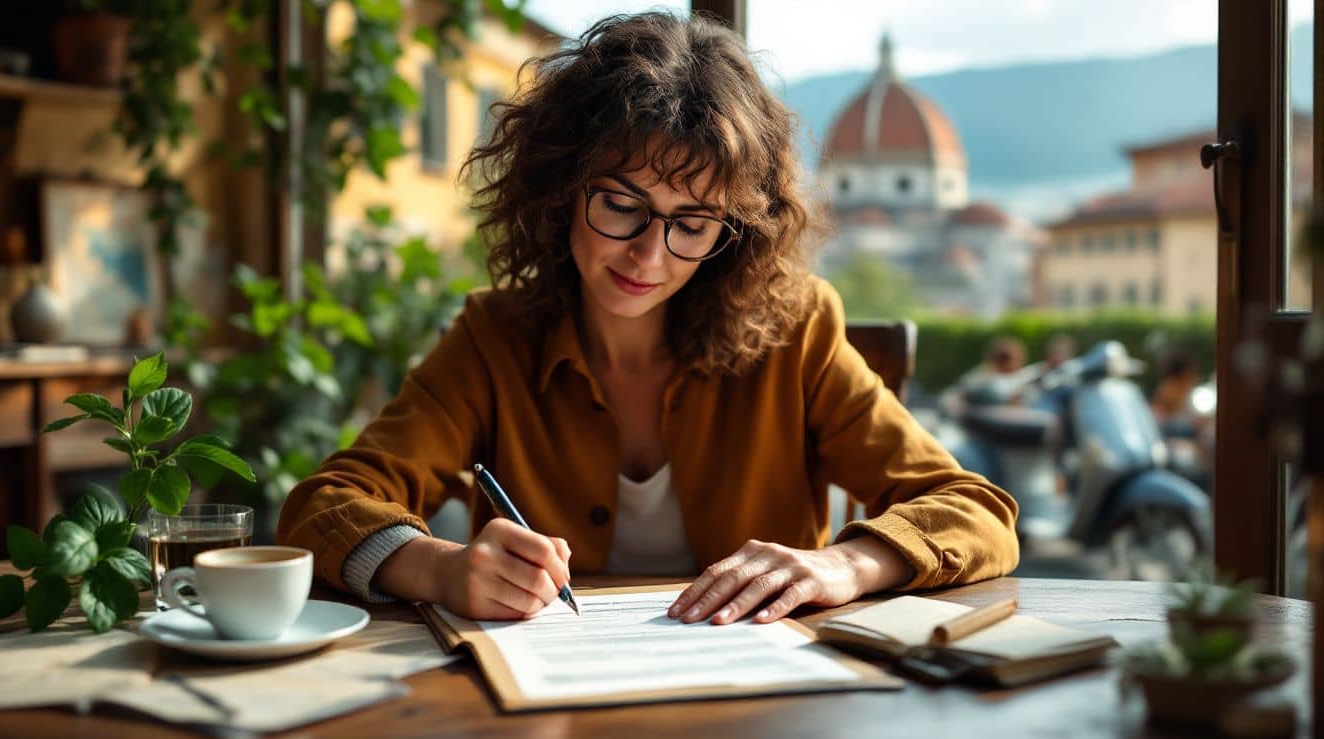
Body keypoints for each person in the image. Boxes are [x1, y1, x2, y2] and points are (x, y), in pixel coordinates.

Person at [277, 12, 1018, 625]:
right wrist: (439, 569)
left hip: (761, 708)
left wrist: (842, 564)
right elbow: (320, 508)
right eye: (623, 207)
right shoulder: (494, 338)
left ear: (735, 231)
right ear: (562, 187)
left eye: (691, 223)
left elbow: (974, 511)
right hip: (547, 710)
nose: (649, 256)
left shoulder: (798, 330)